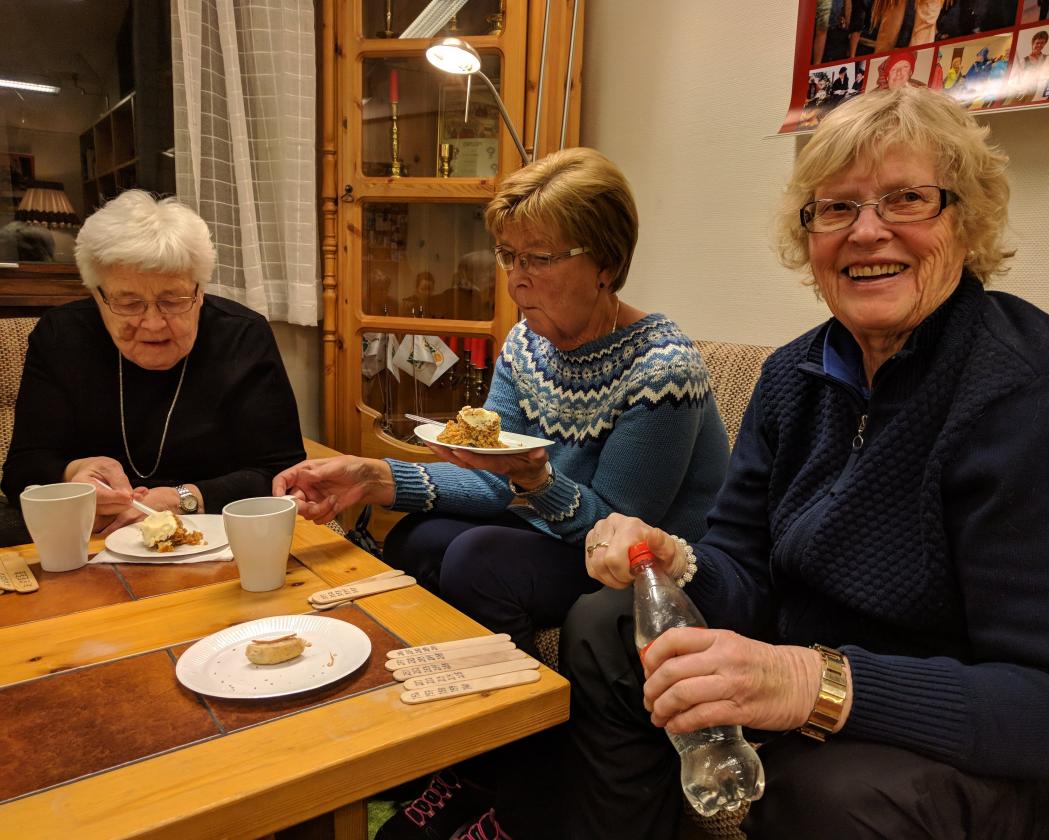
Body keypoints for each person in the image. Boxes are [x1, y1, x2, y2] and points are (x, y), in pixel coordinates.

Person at [562, 87, 1049, 840]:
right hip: (821, 683)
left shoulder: (1032, 392)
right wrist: (677, 564)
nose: (867, 231)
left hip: (988, 739)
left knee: (825, 795)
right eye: (837, 208)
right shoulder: (793, 377)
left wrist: (810, 682)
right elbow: (744, 567)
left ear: (967, 221)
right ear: (809, 236)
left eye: (908, 199)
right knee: (604, 625)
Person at [275, 147, 729, 839]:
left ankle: (520, 794)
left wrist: (535, 480)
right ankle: (462, 763)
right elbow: (492, 478)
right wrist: (373, 478)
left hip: (644, 565)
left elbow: (613, 530)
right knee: (419, 539)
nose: (515, 279)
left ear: (606, 262)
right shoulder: (527, 344)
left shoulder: (662, 367)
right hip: (562, 533)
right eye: (508, 255)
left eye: (538, 258)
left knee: (479, 560)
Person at [1, 190, 305, 536]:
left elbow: (282, 472)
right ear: (97, 295)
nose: (153, 323)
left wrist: (183, 499)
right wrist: (74, 474)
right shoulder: (61, 336)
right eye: (128, 303)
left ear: (200, 291)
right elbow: (22, 470)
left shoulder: (242, 337)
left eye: (172, 300)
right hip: (92, 536)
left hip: (217, 532)